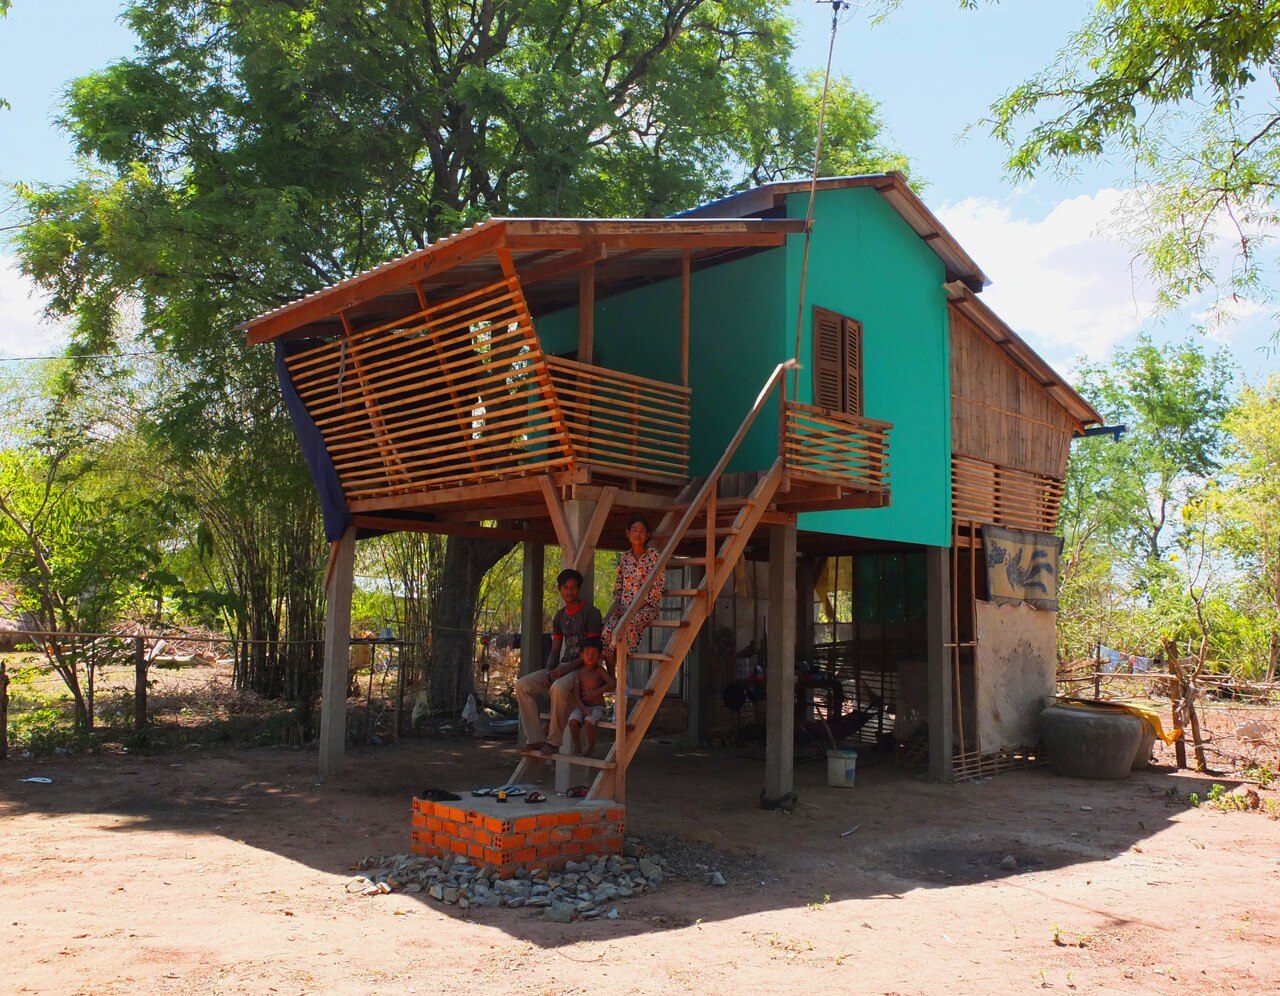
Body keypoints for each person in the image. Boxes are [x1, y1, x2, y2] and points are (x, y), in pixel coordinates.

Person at [514, 568, 602, 754]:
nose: (569, 592)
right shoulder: (559, 617)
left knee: (558, 688)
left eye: (573, 587)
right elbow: (555, 649)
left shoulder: (591, 613)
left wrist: (563, 671)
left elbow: (592, 654)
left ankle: (553, 742)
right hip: (562, 666)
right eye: (565, 588)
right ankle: (535, 738)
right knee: (522, 685)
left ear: (578, 589)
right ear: (559, 589)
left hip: (582, 669)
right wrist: (549, 670)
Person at [602, 514, 666, 658]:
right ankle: (612, 677)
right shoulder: (624, 559)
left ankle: (627, 662)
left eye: (642, 531)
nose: (638, 534)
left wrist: (632, 610)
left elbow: (657, 587)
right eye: (634, 530)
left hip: (645, 607)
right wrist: (618, 605)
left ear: (647, 535)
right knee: (606, 632)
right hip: (624, 609)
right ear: (628, 533)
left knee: (628, 625)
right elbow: (618, 586)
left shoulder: (654, 555)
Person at [566, 637, 615, 757]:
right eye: (587, 653)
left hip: (598, 708)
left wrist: (597, 692)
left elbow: (613, 683)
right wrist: (583, 708)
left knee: (589, 721)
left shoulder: (599, 670)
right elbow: (577, 694)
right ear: (581, 655)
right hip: (583, 707)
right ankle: (577, 747)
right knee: (573, 721)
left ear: (599, 656)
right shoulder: (579, 673)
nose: (590, 656)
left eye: (594, 653)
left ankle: (591, 747)